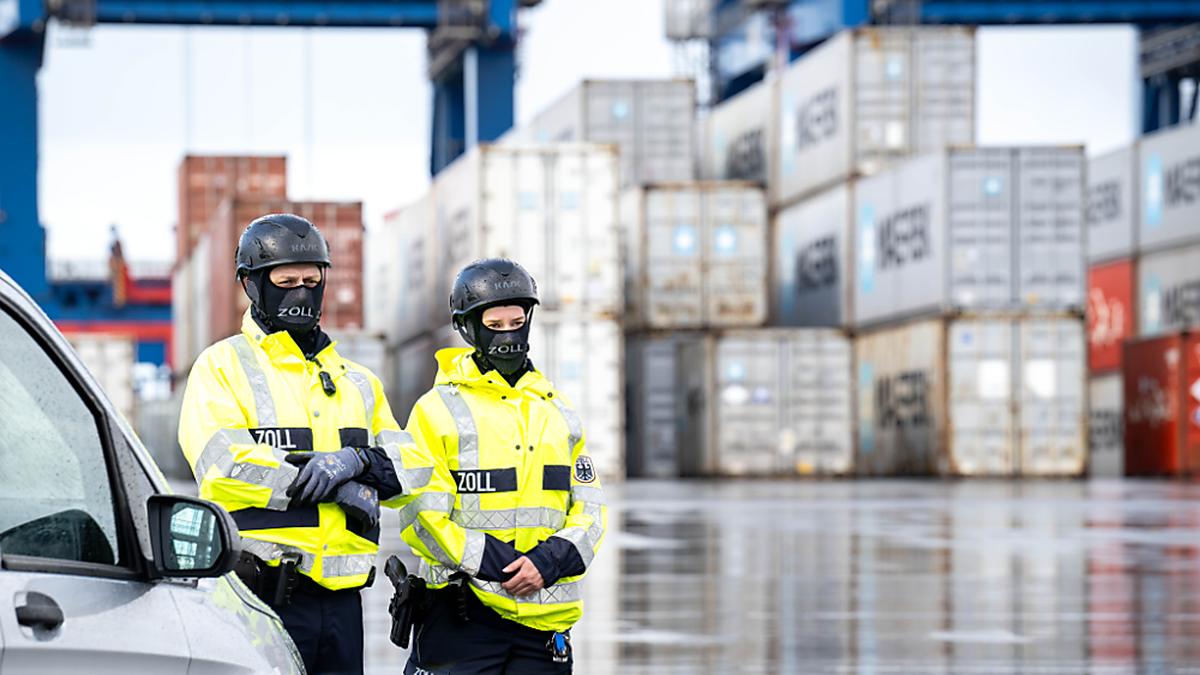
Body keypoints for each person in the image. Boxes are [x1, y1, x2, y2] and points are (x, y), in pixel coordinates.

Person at [179, 213, 432, 674]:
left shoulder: (359, 382)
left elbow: (415, 468)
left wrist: (357, 461)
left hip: (341, 608)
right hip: (258, 603)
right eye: (286, 280)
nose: (301, 292)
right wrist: (333, 484)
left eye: (311, 280)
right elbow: (223, 464)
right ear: (251, 284)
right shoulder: (221, 367)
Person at [394, 258, 608, 675]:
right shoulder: (435, 411)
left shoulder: (558, 412)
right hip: (461, 621)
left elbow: (591, 510)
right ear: (468, 328)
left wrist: (547, 563)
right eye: (496, 324)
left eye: (518, 321)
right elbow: (423, 517)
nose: (509, 335)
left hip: (543, 628)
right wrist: (502, 566)